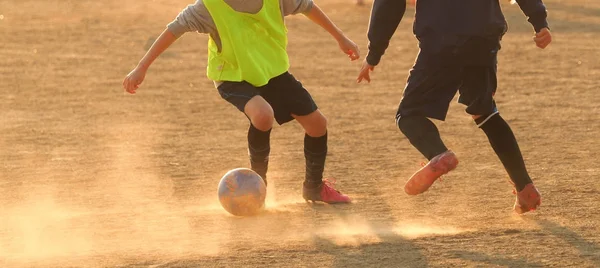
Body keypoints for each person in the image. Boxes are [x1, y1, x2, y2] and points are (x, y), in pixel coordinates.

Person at [123, 0, 360, 203]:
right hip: (232, 76)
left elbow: (307, 6)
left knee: (317, 125)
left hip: (272, 72)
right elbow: (173, 30)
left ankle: (314, 188)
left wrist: (341, 38)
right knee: (262, 114)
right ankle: (256, 187)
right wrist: (141, 67)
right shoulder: (209, 6)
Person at [356, 0, 552, 214]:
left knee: (408, 114)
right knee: (486, 113)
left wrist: (374, 52)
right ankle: (524, 188)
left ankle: (439, 154)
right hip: (484, 38)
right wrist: (539, 21)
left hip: (442, 41)